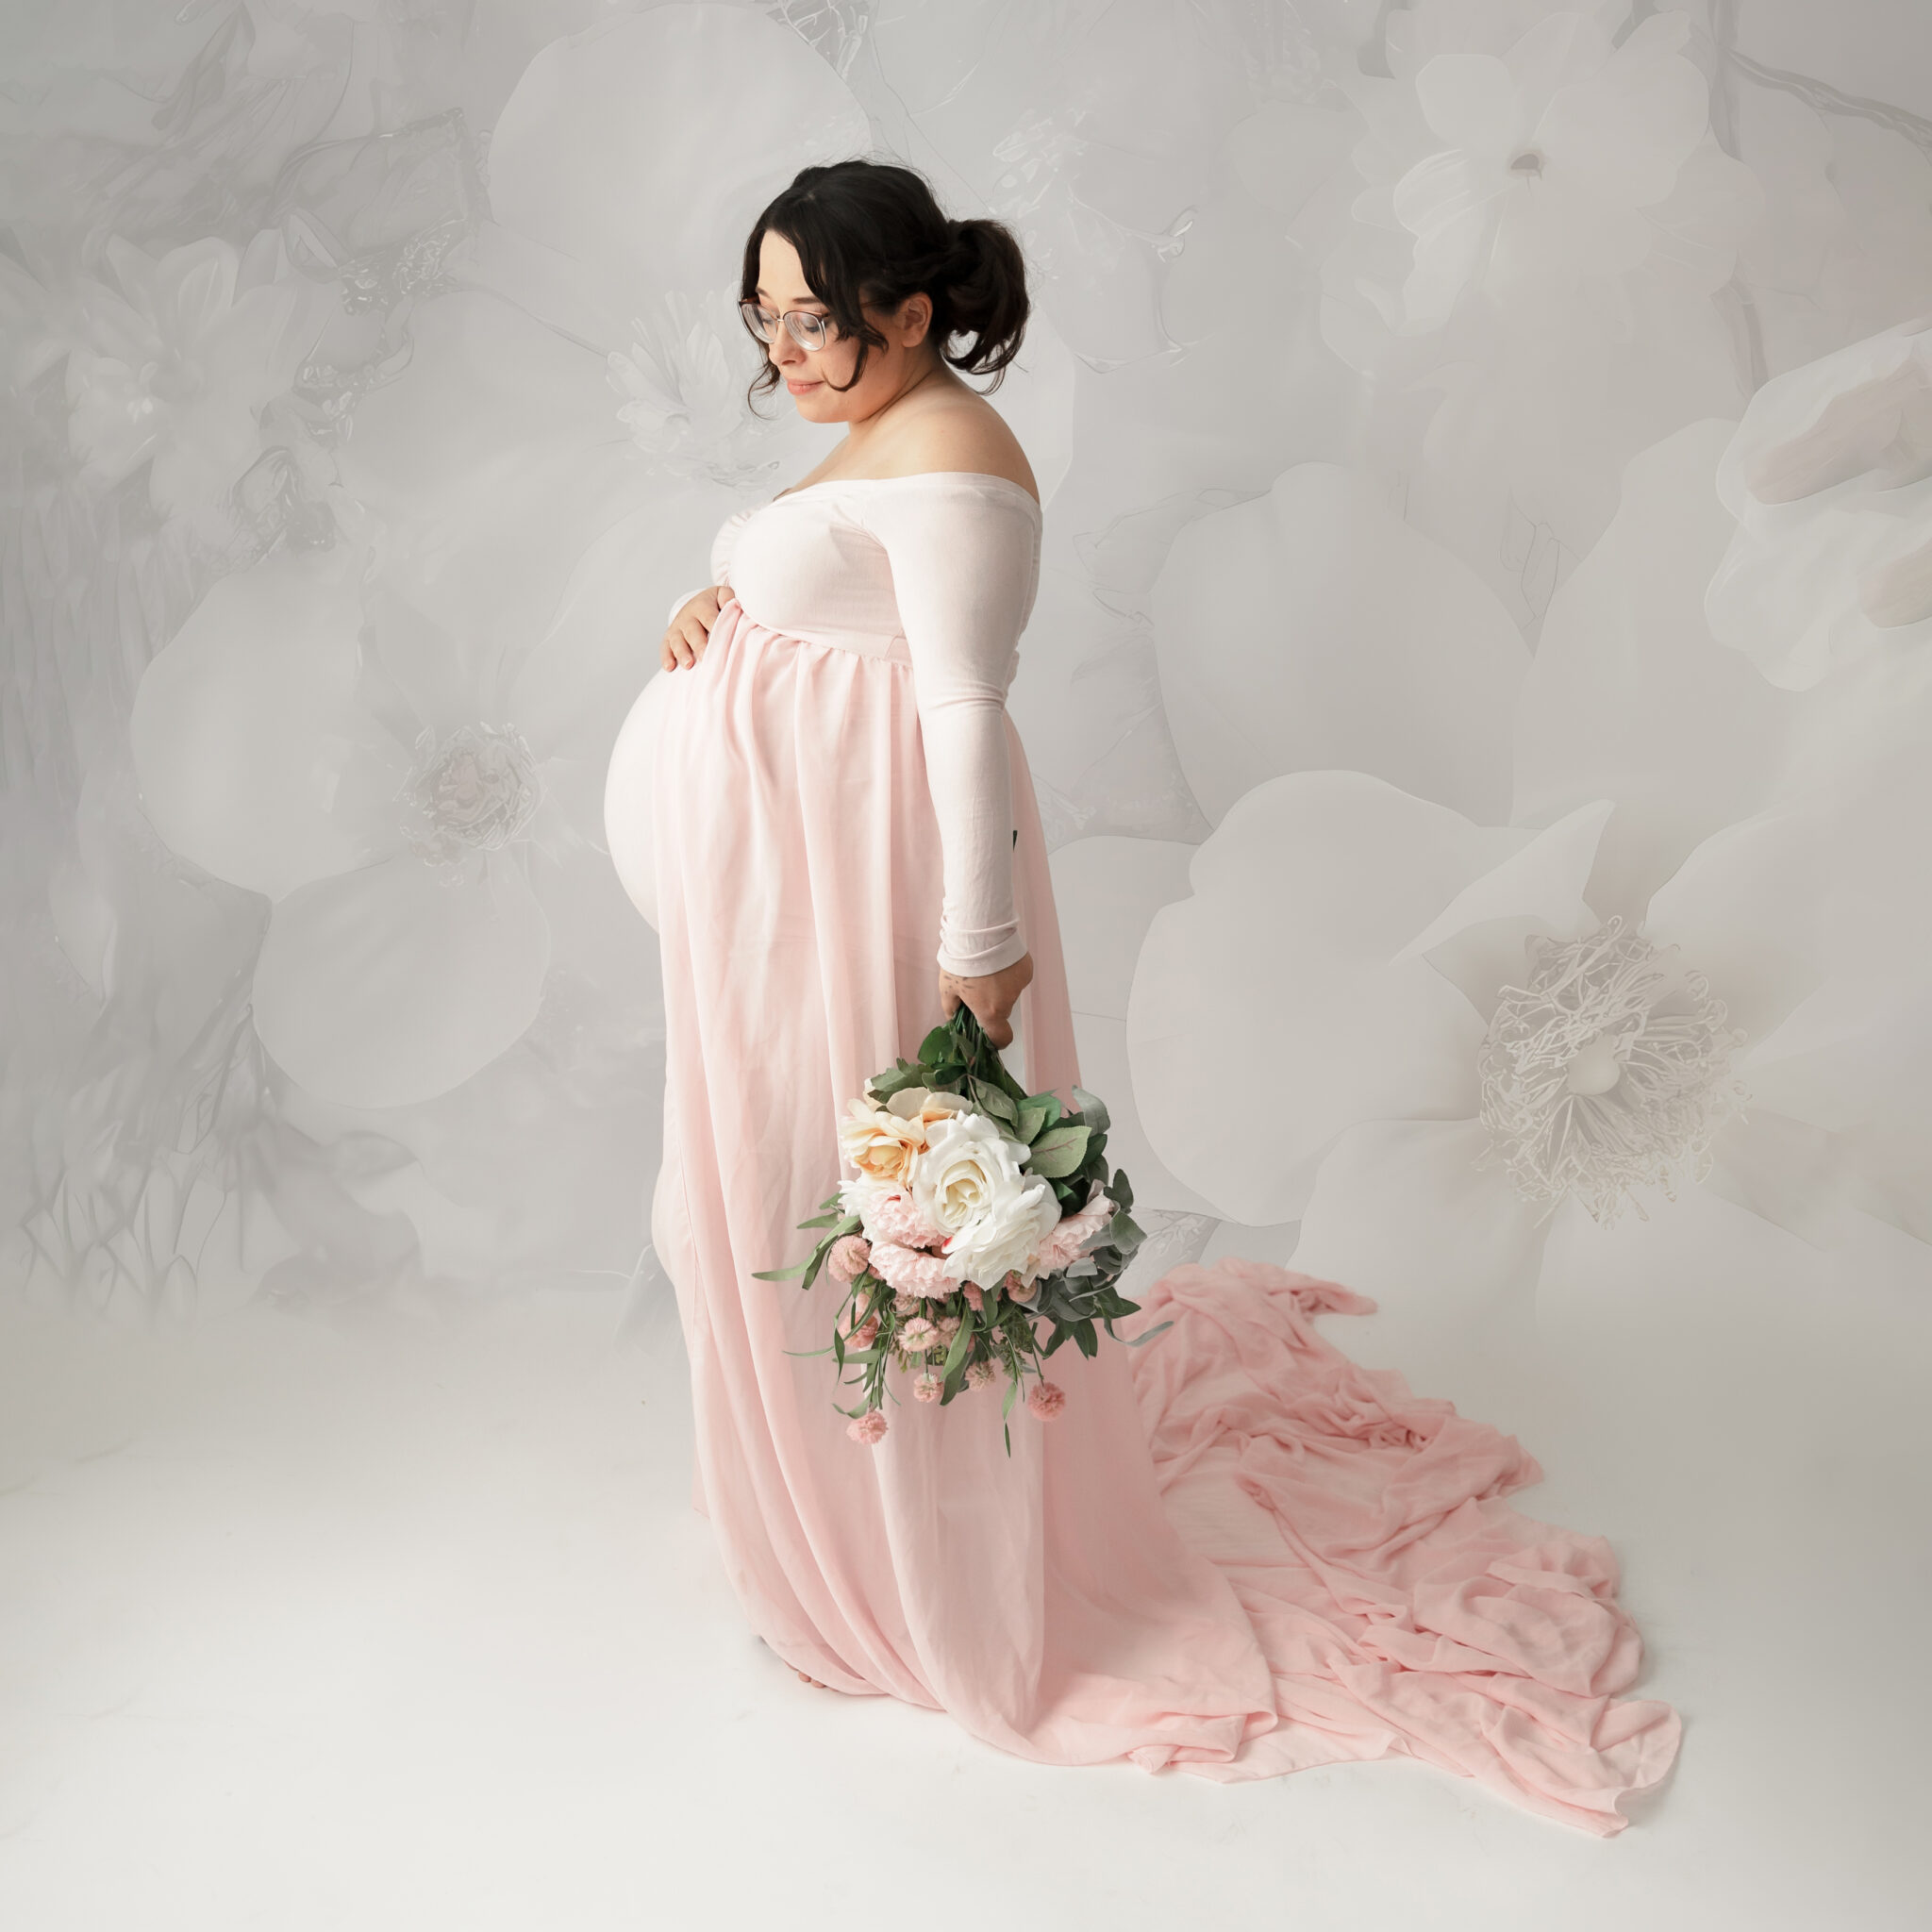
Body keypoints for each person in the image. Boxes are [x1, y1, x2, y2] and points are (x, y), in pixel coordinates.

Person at [612, 158, 1681, 1835]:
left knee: (860, 1208)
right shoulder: (886, 436)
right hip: (784, 896)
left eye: (812, 320)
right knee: (732, 1196)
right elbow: (836, 595)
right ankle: (813, 1508)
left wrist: (974, 958)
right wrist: (723, 602)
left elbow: (957, 710)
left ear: (911, 310)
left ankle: (916, 1561)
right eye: (765, 322)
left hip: (876, 892)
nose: (784, 354)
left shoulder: (960, 468)